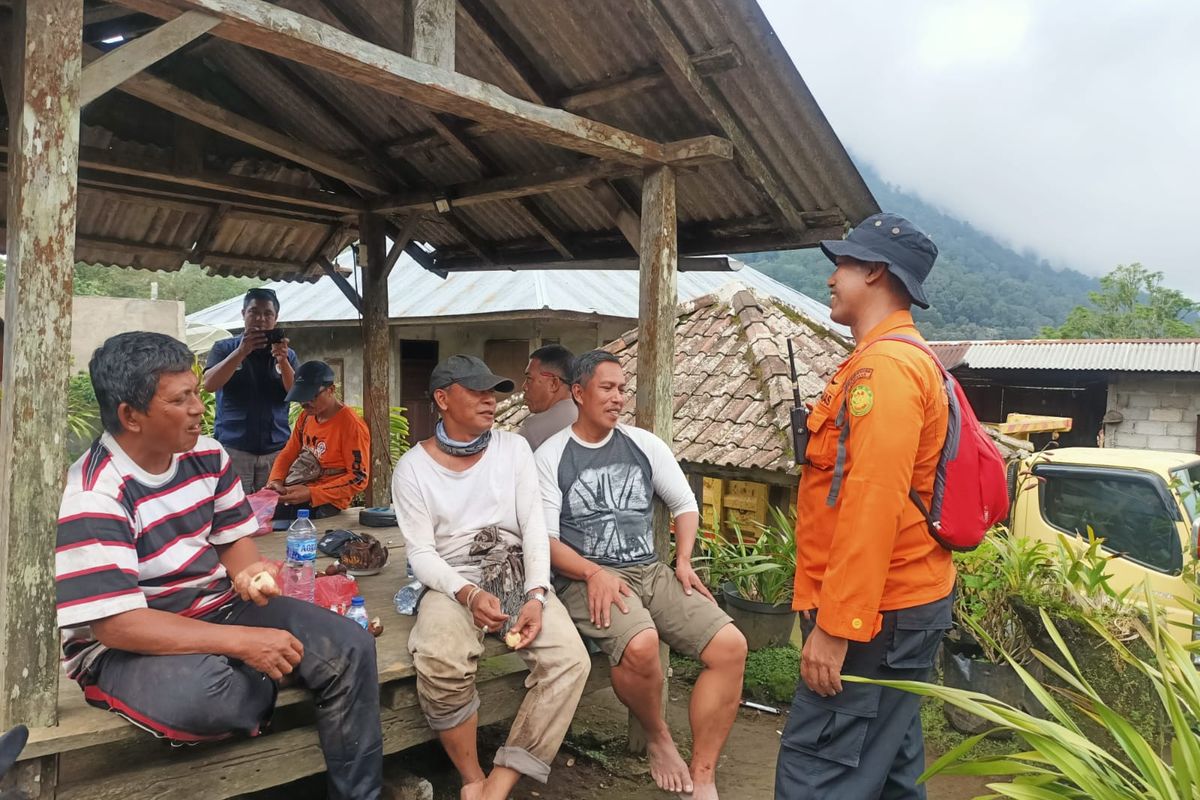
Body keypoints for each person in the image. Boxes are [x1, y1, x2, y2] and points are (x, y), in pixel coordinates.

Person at [55, 332, 383, 799]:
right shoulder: (95, 492)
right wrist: (244, 642)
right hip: (128, 643)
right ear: (131, 415)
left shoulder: (208, 455)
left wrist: (249, 573)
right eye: (181, 398)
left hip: (217, 607)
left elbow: (234, 544)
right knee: (205, 694)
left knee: (349, 646)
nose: (197, 407)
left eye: (195, 392)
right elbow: (115, 625)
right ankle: (251, 671)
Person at [775, 212, 954, 799]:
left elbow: (872, 502)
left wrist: (837, 625)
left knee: (819, 775)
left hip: (877, 617)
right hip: (900, 606)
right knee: (892, 774)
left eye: (843, 264)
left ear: (875, 272)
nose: (832, 278)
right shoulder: (893, 359)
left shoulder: (888, 369)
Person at [536, 350, 747, 800]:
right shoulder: (552, 457)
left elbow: (684, 505)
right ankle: (658, 738)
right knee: (641, 643)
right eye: (607, 388)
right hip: (583, 578)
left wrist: (684, 560)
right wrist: (594, 572)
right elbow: (547, 542)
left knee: (731, 646)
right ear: (578, 392)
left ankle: (704, 772)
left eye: (622, 389)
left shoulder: (643, 444)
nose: (618, 399)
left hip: (650, 570)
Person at [392, 354, 591, 800]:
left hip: (516, 569)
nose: (490, 400)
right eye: (476, 391)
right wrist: (466, 593)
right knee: (440, 659)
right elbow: (422, 554)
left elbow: (535, 526)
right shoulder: (413, 469)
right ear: (442, 398)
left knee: (570, 662)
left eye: (494, 392)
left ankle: (500, 782)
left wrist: (537, 594)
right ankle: (471, 778)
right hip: (452, 580)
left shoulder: (513, 449)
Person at [203, 288, 298, 493]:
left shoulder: (287, 354)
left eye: (267, 314)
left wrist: (282, 360)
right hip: (234, 448)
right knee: (234, 510)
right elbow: (209, 384)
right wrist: (240, 352)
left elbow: (295, 392)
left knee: (273, 509)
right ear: (243, 314)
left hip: (276, 450)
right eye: (253, 312)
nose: (260, 319)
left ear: (276, 318)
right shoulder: (224, 348)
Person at [266, 360, 370, 520]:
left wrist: (311, 494)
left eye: (311, 397)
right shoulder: (306, 417)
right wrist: (276, 480)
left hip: (328, 501)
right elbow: (289, 452)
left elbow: (358, 478)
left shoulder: (351, 425)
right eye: (301, 398)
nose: (304, 404)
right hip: (301, 486)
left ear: (331, 390)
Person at [517, 344, 577, 451]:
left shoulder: (534, 428)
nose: (524, 386)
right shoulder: (597, 421)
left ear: (554, 383)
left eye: (529, 379)